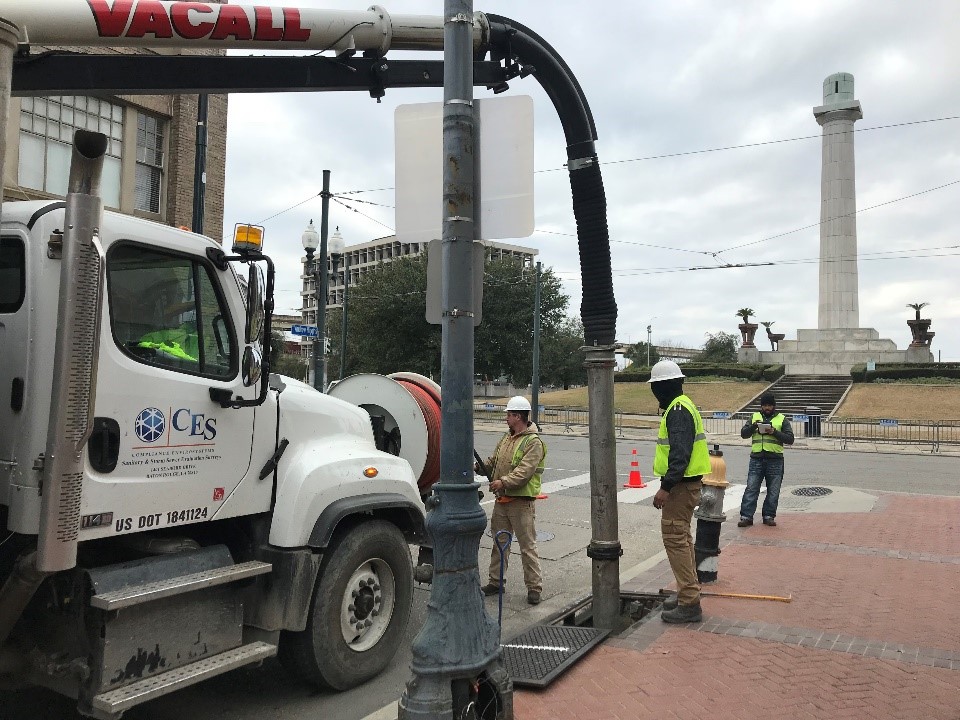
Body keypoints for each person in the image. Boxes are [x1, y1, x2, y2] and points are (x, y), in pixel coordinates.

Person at [648, 360, 712, 623]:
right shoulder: (682, 405)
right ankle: (688, 591)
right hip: (685, 485)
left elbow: (680, 455)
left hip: (681, 486)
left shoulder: (677, 409)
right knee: (682, 539)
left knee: (675, 539)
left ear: (664, 387)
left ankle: (689, 602)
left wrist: (665, 488)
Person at [479, 396, 546, 605]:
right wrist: (478, 467)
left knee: (527, 546)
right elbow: (493, 462)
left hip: (520, 502)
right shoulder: (507, 438)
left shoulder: (533, 442)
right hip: (503, 501)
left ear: (518, 417)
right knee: (500, 543)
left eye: (508, 415)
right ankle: (496, 582)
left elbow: (524, 472)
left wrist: (503, 482)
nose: (505, 418)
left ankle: (534, 588)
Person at [738, 391, 795, 527]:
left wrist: (774, 432)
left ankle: (769, 516)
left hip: (775, 460)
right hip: (757, 459)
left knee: (773, 490)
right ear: (761, 406)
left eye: (770, 405)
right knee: (751, 488)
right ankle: (746, 516)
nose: (767, 408)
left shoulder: (782, 419)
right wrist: (753, 426)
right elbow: (743, 434)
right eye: (765, 405)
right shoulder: (755, 417)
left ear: (774, 406)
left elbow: (790, 439)